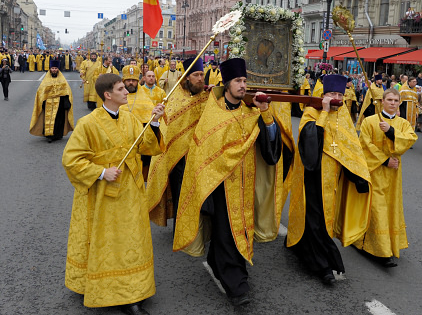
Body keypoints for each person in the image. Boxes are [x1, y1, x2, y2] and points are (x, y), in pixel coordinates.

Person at [173, 58, 282, 307]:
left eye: (245, 81)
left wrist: (267, 117)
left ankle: (223, 264)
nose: (243, 85)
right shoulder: (214, 113)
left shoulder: (251, 114)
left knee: (240, 233)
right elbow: (202, 150)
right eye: (238, 81)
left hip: (246, 185)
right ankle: (236, 285)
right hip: (220, 186)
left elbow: (270, 149)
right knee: (225, 233)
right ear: (227, 83)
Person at [62, 73, 165, 313]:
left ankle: (134, 291)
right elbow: (71, 160)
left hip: (131, 191)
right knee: (108, 241)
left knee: (131, 240)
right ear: (108, 95)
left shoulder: (129, 119)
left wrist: (155, 122)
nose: (127, 91)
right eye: (121, 89)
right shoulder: (88, 123)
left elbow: (146, 146)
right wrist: (100, 172)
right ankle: (105, 287)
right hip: (103, 193)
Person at [286, 74, 371, 285]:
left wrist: (357, 176)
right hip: (312, 174)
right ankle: (322, 266)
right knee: (316, 220)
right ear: (323, 95)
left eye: (340, 94)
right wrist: (323, 113)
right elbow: (310, 141)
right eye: (332, 94)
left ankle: (306, 251)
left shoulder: (344, 116)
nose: (336, 98)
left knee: (325, 220)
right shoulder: (311, 113)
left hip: (334, 178)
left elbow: (351, 148)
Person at [354, 88, 417, 267]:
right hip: (375, 171)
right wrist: (384, 160)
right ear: (382, 101)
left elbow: (409, 140)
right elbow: (364, 145)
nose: (393, 103)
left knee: (391, 208)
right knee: (377, 207)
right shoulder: (370, 122)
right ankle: (381, 251)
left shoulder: (403, 123)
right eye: (389, 100)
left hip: (393, 174)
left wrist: (390, 131)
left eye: (396, 101)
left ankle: (386, 244)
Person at [148, 57, 209, 226]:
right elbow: (168, 129)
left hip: (200, 157)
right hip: (179, 159)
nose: (200, 78)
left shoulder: (208, 97)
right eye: (196, 75)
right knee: (180, 194)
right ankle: (179, 229)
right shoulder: (175, 97)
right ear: (187, 77)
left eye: (202, 74)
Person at [29, 60, 74, 142]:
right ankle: (49, 135)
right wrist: (42, 101)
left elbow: (67, 91)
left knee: (59, 119)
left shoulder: (62, 79)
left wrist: (66, 101)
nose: (54, 70)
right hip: (48, 103)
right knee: (48, 118)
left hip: (60, 103)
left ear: (58, 69)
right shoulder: (46, 80)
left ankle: (58, 134)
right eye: (52, 68)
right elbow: (41, 91)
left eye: (55, 68)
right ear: (50, 69)